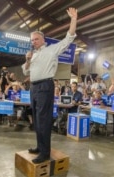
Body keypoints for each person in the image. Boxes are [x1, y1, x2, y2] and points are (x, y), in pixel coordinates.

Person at [21, 7, 77, 164]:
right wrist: (27, 60)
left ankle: (45, 153)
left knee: (44, 120)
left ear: (43, 40)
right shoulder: (32, 55)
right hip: (34, 87)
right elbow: (26, 72)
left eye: (36, 39)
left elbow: (69, 38)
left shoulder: (52, 50)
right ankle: (40, 147)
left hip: (45, 86)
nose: (34, 42)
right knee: (37, 120)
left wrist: (73, 19)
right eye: (32, 40)